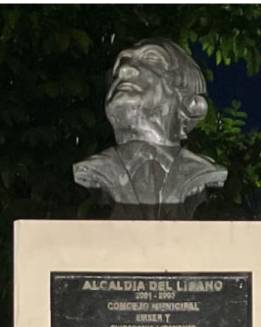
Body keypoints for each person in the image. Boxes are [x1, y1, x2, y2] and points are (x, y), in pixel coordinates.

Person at [73, 38, 226, 219]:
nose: (123, 70)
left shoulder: (202, 170)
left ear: (192, 105)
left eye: (152, 59)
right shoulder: (96, 167)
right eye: (119, 66)